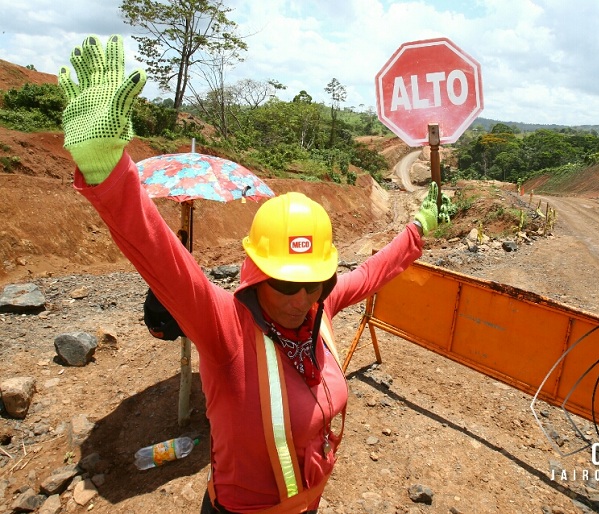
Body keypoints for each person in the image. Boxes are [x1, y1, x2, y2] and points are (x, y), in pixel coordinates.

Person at [58, 34, 450, 513]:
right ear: (258, 272)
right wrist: (109, 175)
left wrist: (418, 228)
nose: (301, 298)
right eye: (286, 282)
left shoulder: (320, 309)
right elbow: (162, 260)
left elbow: (372, 271)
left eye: (314, 282)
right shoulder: (225, 329)